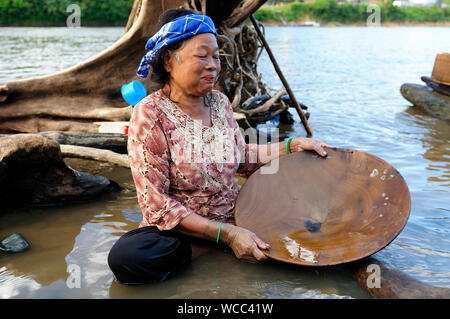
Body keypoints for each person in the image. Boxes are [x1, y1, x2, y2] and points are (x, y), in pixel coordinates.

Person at [108, 8, 330, 285]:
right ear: (168, 61)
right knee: (128, 257)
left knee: (308, 212)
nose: (213, 65)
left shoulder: (219, 102)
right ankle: (215, 246)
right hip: (183, 230)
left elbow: (243, 156)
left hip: (237, 214)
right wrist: (225, 234)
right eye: (202, 56)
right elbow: (156, 204)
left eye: (216, 56)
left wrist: (292, 147)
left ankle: (234, 239)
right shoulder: (150, 114)